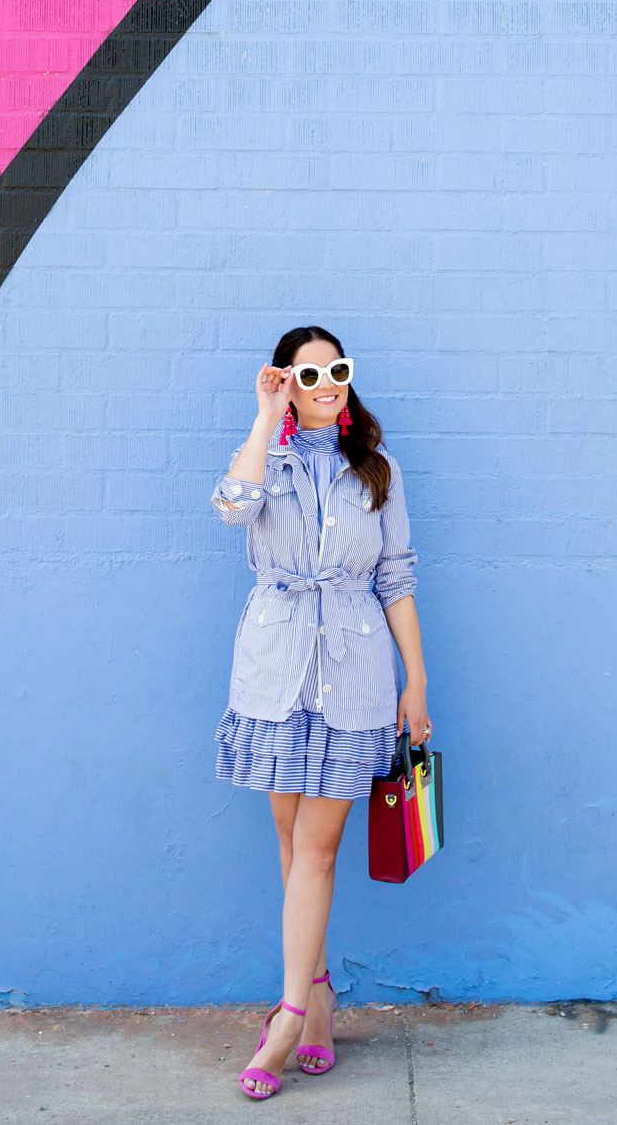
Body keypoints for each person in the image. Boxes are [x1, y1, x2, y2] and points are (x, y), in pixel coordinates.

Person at [210, 324, 432, 1100]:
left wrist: (417, 683)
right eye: (307, 374)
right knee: (288, 838)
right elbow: (233, 507)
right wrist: (263, 418)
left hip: (355, 674)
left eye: (336, 369)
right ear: (287, 384)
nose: (326, 382)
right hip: (275, 673)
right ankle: (322, 992)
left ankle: (288, 1013)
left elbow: (396, 578)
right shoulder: (266, 458)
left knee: (319, 848)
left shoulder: (375, 469)